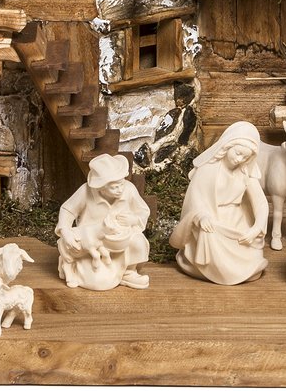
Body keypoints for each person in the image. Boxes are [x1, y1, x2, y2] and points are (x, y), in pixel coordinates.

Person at [169, 121, 270, 285]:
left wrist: (257, 227)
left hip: (237, 221)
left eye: (245, 157)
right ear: (227, 146)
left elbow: (260, 202)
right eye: (238, 153)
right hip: (213, 219)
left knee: (251, 250)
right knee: (209, 235)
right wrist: (201, 217)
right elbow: (196, 200)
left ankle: (242, 267)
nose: (239, 159)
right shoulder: (207, 169)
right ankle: (223, 270)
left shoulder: (245, 172)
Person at [55, 153, 151, 290]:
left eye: (121, 184)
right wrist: (65, 231)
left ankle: (129, 271)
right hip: (91, 242)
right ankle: (74, 267)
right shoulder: (86, 191)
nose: (120, 189)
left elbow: (143, 211)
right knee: (98, 283)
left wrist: (133, 219)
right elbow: (67, 210)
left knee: (138, 241)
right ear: (101, 187)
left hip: (122, 240)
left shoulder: (129, 189)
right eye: (114, 187)